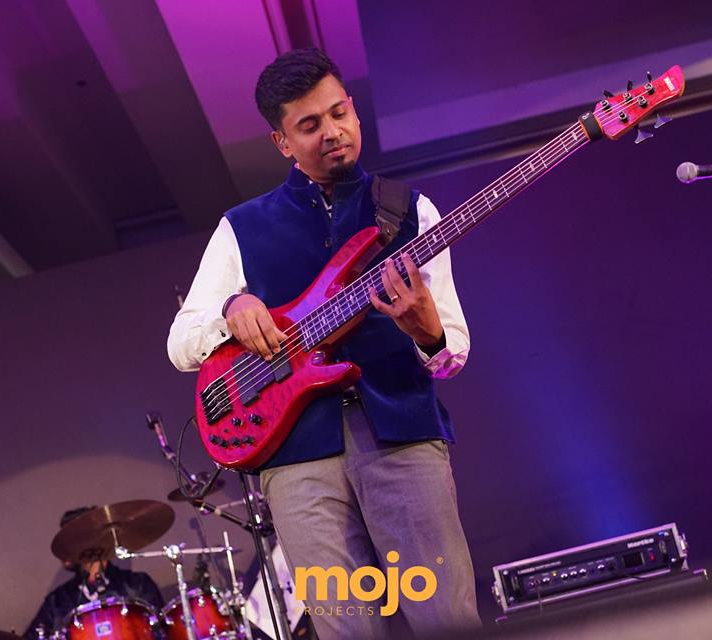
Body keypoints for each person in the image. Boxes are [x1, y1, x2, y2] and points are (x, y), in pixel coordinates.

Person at [167, 48, 480, 639]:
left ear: (354, 111)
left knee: (446, 618)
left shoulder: (412, 211)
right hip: (297, 461)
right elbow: (181, 342)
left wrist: (426, 332)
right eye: (310, 125)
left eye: (339, 113)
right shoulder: (241, 227)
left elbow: (451, 353)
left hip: (403, 438)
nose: (332, 132)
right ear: (282, 141)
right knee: (344, 629)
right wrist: (232, 311)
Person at [23, 507, 164, 640]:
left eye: (69, 540)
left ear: (93, 541)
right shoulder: (57, 601)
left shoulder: (138, 585)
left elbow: (163, 632)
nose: (63, 548)